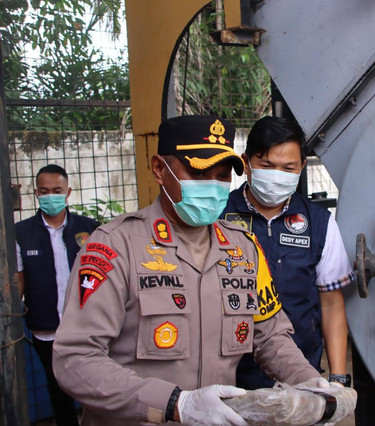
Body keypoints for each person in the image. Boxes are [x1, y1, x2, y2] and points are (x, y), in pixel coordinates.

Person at [52, 115, 334, 426]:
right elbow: (75, 359)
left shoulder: (244, 250)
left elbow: (270, 337)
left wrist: (307, 381)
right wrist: (175, 403)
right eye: (199, 172)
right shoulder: (115, 247)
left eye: (222, 175)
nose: (213, 185)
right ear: (160, 169)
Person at [222, 116, 355, 389]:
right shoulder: (219, 216)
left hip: (301, 373)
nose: (276, 176)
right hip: (230, 377)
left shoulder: (319, 223)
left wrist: (338, 379)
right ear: (246, 163)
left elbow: (331, 303)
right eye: (267, 166)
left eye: (288, 168)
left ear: (302, 167)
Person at [15, 164, 100, 426]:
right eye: (44, 191)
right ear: (36, 193)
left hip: (88, 325)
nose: (50, 196)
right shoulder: (21, 233)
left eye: (56, 190)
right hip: (46, 328)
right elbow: (19, 281)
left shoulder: (91, 229)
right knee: (57, 387)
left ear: (68, 192)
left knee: (96, 385)